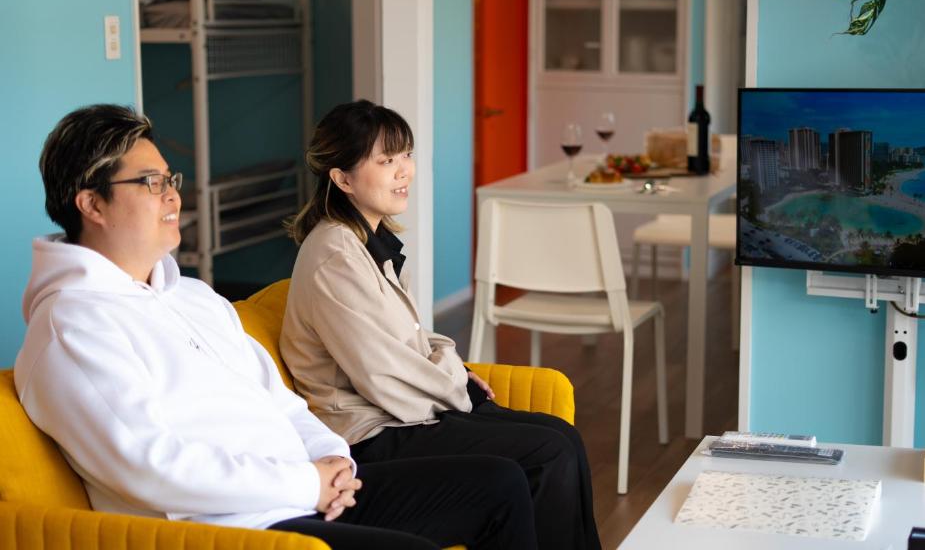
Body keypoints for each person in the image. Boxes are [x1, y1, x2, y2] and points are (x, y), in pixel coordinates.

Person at [14, 104, 538, 550]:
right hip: (240, 528)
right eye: (151, 183)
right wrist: (307, 483)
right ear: (92, 204)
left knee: (500, 483)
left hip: (307, 493)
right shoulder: (74, 325)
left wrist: (331, 458)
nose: (174, 196)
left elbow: (279, 400)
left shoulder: (193, 297)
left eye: (170, 179)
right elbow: (152, 465)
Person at [280, 99, 601, 550]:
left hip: (405, 412)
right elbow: (383, 376)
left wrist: (455, 372)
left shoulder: (370, 240)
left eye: (406, 155)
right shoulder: (334, 255)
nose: (403, 171)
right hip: (374, 433)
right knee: (548, 455)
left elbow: (415, 337)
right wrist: (456, 387)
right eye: (386, 160)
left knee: (562, 437)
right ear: (343, 178)